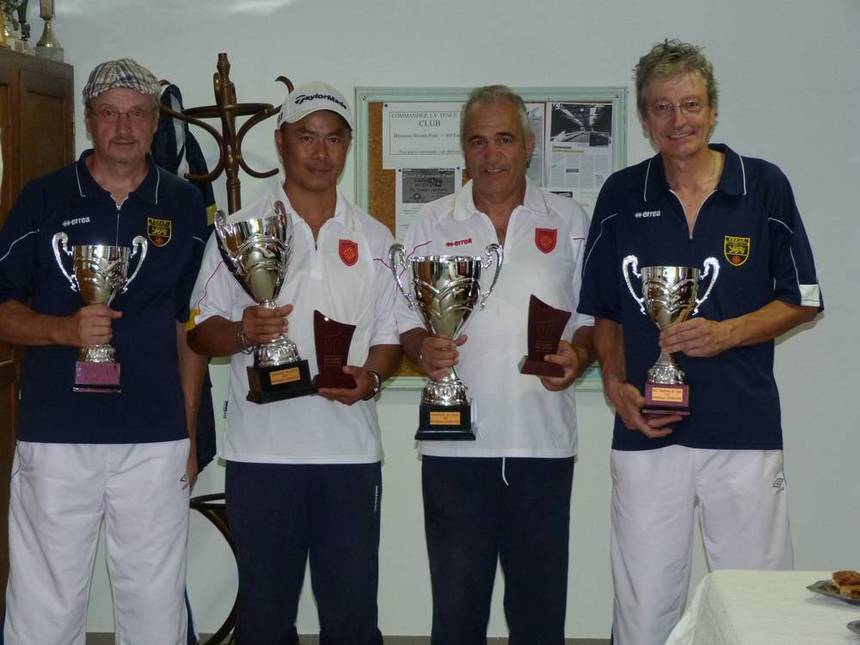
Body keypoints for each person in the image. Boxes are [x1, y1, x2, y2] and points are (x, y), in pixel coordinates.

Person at [577, 40, 823, 645]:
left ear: (712, 110)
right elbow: (602, 314)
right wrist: (614, 387)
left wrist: (727, 332)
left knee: (755, 602)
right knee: (644, 604)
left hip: (743, 428)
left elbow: (805, 298)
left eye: (690, 104)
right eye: (661, 108)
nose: (678, 120)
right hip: (646, 431)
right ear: (644, 117)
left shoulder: (763, 186)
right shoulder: (619, 195)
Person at [0, 58, 208, 644]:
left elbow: (189, 326)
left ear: (154, 122)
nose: (124, 127)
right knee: (47, 600)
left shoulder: (185, 205)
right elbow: (3, 309)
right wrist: (62, 331)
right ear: (87, 121)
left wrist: (187, 432)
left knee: (155, 600)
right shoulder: (42, 199)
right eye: (110, 113)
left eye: (138, 114)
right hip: (55, 432)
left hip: (154, 436)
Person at [187, 81, 401, 645]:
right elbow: (201, 330)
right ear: (282, 143)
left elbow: (390, 335)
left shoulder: (375, 238)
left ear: (347, 146)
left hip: (350, 455)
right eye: (307, 138)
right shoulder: (237, 230)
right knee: (264, 617)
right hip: (262, 455)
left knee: (352, 616)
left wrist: (372, 376)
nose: (320, 152)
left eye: (333, 139)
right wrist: (242, 331)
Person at [396, 85, 595, 645]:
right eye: (477, 141)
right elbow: (402, 319)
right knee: (456, 615)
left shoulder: (571, 219)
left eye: (504, 139)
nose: (491, 154)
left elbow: (593, 316)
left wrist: (578, 354)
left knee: (538, 613)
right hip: (454, 450)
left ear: (529, 145)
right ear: (463, 150)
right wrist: (421, 349)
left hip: (543, 447)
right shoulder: (430, 223)